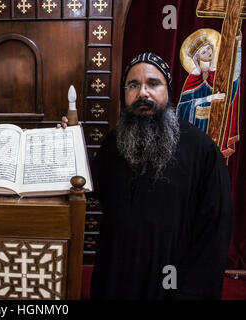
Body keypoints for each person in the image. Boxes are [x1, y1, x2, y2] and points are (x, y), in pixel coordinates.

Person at [59, 53, 233, 299]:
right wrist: (67, 145)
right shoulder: (114, 142)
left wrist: (189, 286)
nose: (143, 93)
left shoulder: (201, 149)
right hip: (119, 269)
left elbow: (216, 224)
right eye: (133, 85)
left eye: (153, 84)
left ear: (167, 91)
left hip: (171, 273)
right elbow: (87, 187)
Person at [176, 31, 241, 159]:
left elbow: (233, 80)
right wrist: (209, 98)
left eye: (209, 48)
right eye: (204, 51)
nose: (209, 52)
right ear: (197, 57)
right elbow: (182, 107)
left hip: (214, 124)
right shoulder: (192, 79)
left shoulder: (217, 76)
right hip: (196, 126)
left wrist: (238, 46)